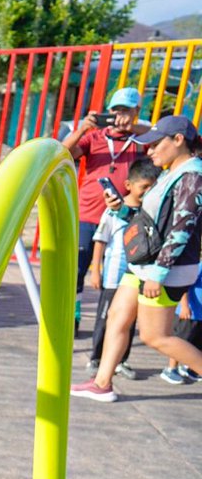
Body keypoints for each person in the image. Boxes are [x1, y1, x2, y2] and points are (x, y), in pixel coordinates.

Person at [72, 116, 202, 402]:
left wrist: (159, 272)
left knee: (157, 337)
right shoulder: (171, 172)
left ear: (178, 140)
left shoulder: (193, 175)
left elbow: (183, 228)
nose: (150, 151)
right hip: (145, 264)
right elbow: (151, 224)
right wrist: (120, 210)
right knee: (117, 316)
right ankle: (102, 383)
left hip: (165, 269)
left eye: (156, 144)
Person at [62, 87, 147, 335]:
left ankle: (114, 323)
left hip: (123, 217)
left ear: (136, 112)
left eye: (126, 111)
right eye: (115, 111)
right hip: (88, 213)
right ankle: (73, 317)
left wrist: (133, 128)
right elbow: (64, 152)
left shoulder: (140, 139)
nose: (119, 116)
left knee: (120, 272)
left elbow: (155, 135)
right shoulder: (95, 137)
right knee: (77, 268)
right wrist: (81, 129)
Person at [85, 158, 160, 379]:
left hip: (136, 276)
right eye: (143, 187)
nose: (147, 192)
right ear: (128, 185)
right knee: (105, 318)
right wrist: (96, 271)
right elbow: (101, 240)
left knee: (128, 320)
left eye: (151, 187)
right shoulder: (113, 210)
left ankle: (121, 360)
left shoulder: (149, 213)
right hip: (113, 276)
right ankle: (96, 358)